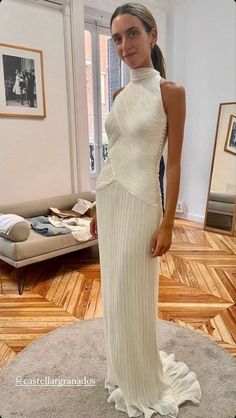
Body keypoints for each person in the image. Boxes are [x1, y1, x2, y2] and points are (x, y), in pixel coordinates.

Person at [90, 3, 201, 417]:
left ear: (152, 36)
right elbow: (113, 154)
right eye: (117, 37)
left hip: (141, 204)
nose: (124, 45)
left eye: (132, 34)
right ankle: (121, 368)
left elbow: (172, 162)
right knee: (114, 294)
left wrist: (169, 221)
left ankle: (142, 377)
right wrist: (97, 207)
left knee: (132, 290)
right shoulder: (120, 95)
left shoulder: (170, 92)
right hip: (112, 198)